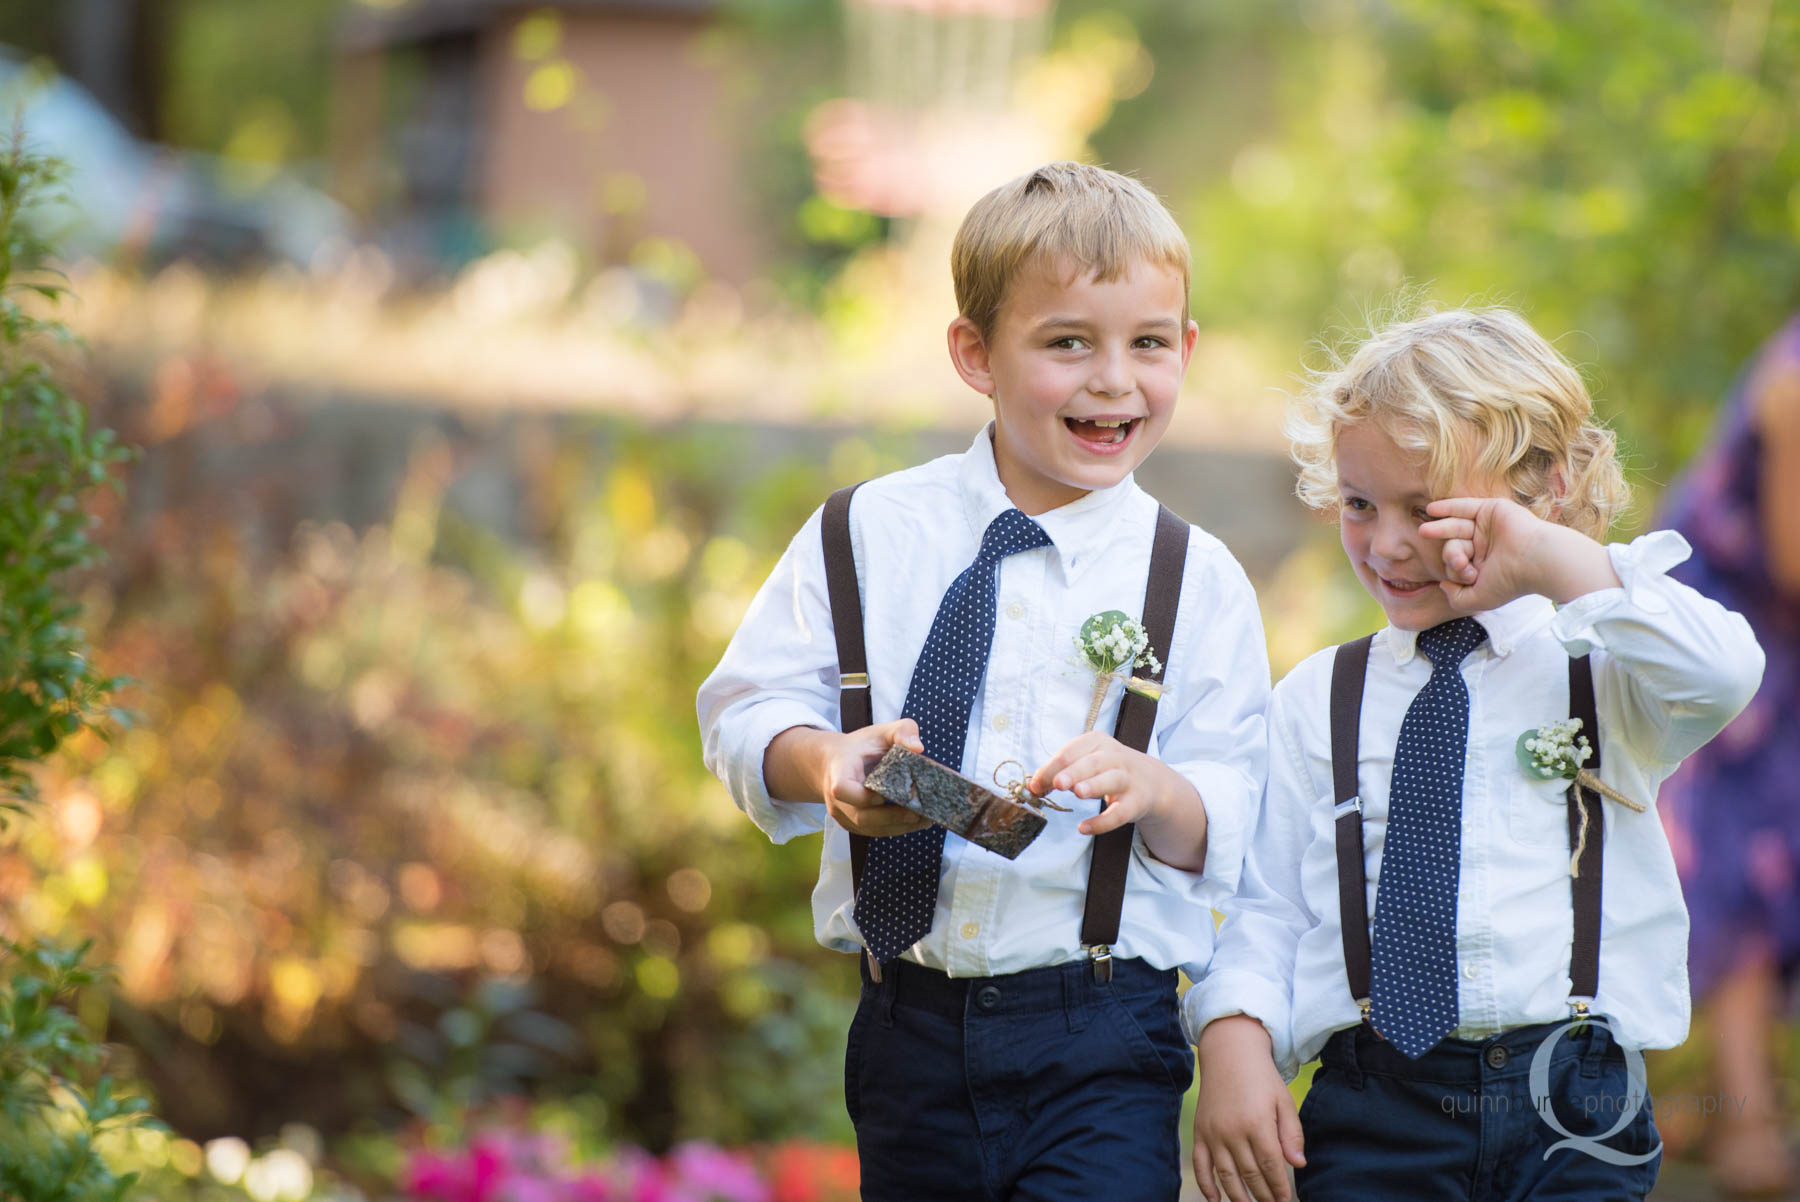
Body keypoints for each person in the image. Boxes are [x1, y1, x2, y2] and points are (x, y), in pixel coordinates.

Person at [697, 161, 1270, 1201]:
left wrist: (1158, 787)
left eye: (1148, 343)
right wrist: (826, 760)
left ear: (1185, 349)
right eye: (1067, 343)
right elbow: (746, 709)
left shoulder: (1200, 580)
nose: (1113, 379)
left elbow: (1238, 810)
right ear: (976, 354)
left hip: (1102, 1031)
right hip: (908, 1029)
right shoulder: (864, 532)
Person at [1185, 307, 1764, 1202]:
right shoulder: (1320, 699)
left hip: (1578, 1101)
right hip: (1377, 1105)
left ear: (1543, 491)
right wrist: (1234, 1032)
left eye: (1427, 510)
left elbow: (1726, 670)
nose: (1386, 544)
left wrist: (1548, 558)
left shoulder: (1604, 665)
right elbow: (1272, 908)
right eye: (1359, 504)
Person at [1658, 316, 1800, 1198]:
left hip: (1783, 627)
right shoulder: (1794, 383)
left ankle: (1710, 1101)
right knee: (1749, 852)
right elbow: (1791, 557)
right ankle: (1744, 1123)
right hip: (1727, 627)